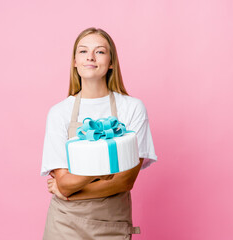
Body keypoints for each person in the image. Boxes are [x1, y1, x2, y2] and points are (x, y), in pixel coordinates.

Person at [40, 27, 157, 240]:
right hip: (64, 225)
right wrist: (105, 169)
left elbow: (125, 181)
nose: (90, 57)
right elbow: (64, 183)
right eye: (83, 51)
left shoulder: (132, 108)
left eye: (100, 51)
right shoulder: (59, 113)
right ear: (74, 61)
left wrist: (69, 194)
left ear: (111, 62)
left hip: (112, 224)